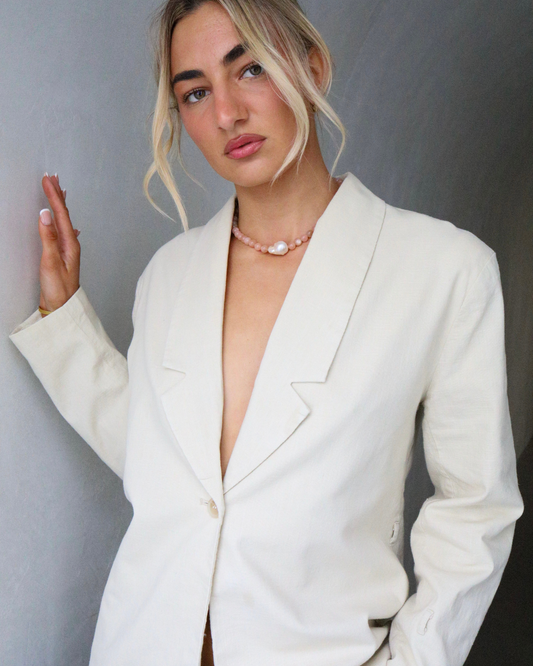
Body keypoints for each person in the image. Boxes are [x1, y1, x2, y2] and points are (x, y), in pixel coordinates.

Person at [9, 1, 523, 665]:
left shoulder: (442, 270)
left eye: (249, 68)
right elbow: (162, 463)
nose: (226, 113)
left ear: (313, 67)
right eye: (195, 92)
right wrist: (63, 321)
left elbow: (474, 507)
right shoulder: (169, 274)